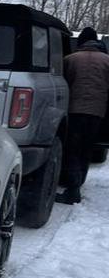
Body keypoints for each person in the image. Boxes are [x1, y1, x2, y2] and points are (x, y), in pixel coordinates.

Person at [57, 27, 109, 204]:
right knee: (86, 148)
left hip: (74, 109)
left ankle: (72, 189)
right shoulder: (107, 61)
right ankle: (78, 183)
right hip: (97, 112)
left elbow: (63, 82)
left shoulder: (70, 59)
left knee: (72, 148)